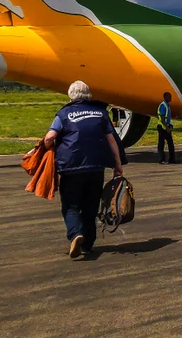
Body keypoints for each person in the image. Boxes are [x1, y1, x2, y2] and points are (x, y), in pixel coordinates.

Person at [43, 81, 123, 259]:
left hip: (71, 167)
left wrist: (46, 148)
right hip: (96, 167)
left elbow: (50, 137)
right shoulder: (100, 113)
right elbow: (112, 141)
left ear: (71, 95)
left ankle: (75, 233)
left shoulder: (64, 114)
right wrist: (117, 165)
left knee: (70, 205)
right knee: (91, 206)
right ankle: (87, 244)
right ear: (88, 94)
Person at [156, 92, 177, 164]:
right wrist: (167, 127)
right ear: (165, 97)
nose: (170, 98)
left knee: (170, 143)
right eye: (169, 97)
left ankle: (172, 159)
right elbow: (162, 119)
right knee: (161, 143)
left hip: (166, 126)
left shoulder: (167, 105)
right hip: (162, 127)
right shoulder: (163, 106)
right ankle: (161, 159)